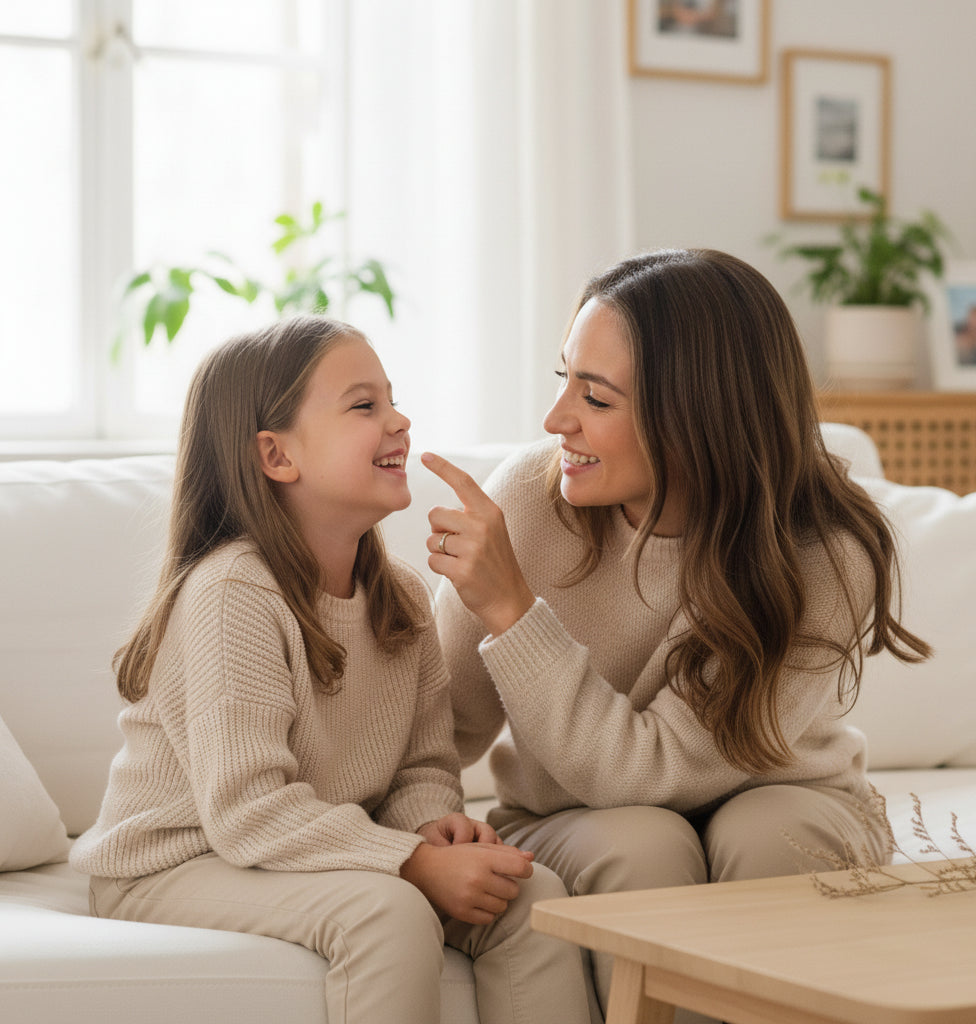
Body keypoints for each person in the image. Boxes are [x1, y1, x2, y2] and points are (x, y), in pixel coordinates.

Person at [422, 249, 932, 1016]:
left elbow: (652, 769)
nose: (557, 419)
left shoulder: (821, 547)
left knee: (772, 837)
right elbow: (434, 727)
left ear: (697, 413)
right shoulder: (531, 498)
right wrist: (420, 835)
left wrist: (514, 614)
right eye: (563, 379)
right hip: (580, 818)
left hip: (787, 795)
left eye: (594, 397)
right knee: (641, 846)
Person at [70, 315, 593, 1024]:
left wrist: (436, 830)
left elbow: (422, 768)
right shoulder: (233, 593)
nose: (399, 420)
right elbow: (249, 810)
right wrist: (410, 864)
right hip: (174, 862)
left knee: (532, 900)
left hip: (284, 846)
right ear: (276, 455)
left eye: (393, 400)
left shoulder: (401, 595)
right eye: (363, 405)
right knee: (389, 911)